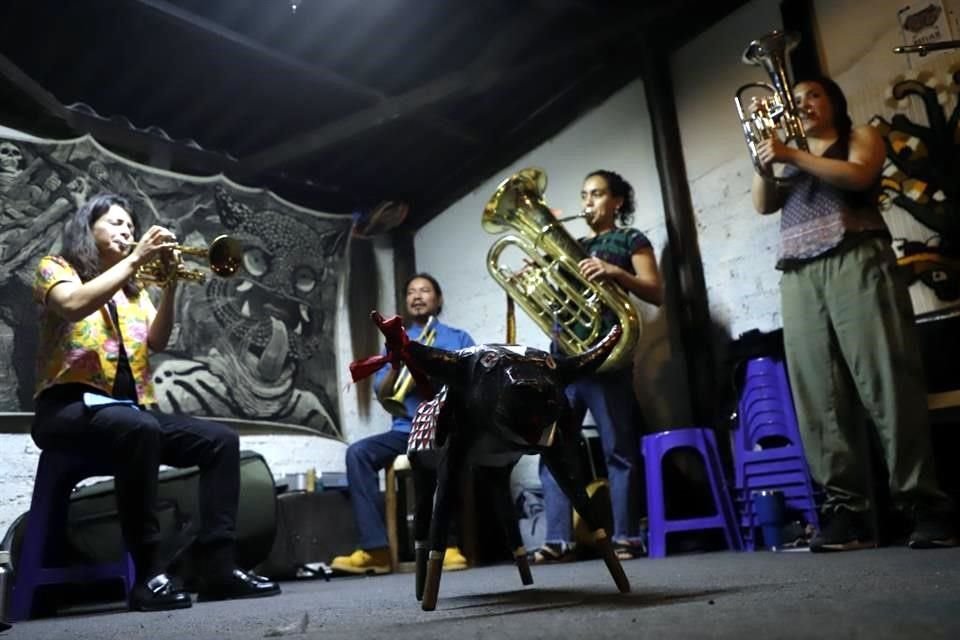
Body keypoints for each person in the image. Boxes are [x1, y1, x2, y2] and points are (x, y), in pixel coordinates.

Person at [31, 193, 281, 612]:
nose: (126, 231)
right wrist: (136, 259)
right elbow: (72, 306)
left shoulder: (134, 292)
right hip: (67, 410)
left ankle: (218, 565)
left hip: (129, 416)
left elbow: (159, 341)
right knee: (141, 429)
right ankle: (148, 574)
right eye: (115, 223)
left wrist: (168, 289)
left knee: (221, 442)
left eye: (130, 226)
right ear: (86, 229)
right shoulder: (57, 268)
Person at [750, 76, 956, 551]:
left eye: (813, 96)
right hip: (799, 273)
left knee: (887, 381)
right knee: (817, 397)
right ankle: (848, 511)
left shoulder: (856, 135)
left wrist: (792, 155)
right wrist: (765, 161)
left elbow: (861, 175)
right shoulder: (790, 153)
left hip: (856, 257)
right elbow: (763, 204)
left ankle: (923, 503)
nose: (804, 105)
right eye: (796, 100)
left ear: (835, 102)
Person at [533, 170, 663, 564]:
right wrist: (539, 262)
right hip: (565, 359)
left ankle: (627, 537)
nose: (588, 202)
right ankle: (558, 540)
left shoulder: (630, 239)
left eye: (597, 194)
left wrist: (615, 271)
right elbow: (554, 294)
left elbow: (655, 290)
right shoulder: (575, 244)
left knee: (618, 451)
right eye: (584, 194)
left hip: (607, 356)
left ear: (617, 201)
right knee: (552, 448)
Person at [331, 273, 475, 574]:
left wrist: (433, 365)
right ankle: (376, 550)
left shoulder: (458, 338)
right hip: (405, 430)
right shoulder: (395, 341)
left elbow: (472, 383)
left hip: (442, 428)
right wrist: (397, 361)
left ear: (438, 299)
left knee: (438, 453)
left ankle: (446, 545)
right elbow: (384, 394)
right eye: (411, 291)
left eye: (425, 290)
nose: (417, 296)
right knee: (357, 453)